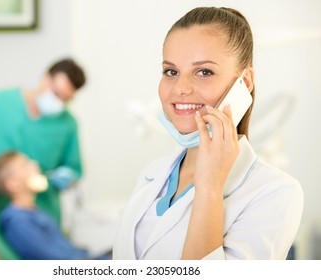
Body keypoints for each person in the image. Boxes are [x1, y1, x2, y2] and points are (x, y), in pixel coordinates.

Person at [113, 7, 303, 260]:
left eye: (204, 72)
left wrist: (210, 187)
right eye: (171, 71)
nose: (180, 88)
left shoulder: (276, 192)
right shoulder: (152, 174)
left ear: (244, 83)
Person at [0, 58, 86, 259]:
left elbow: (74, 169)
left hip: (42, 216)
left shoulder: (68, 124)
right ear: (46, 78)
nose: (59, 103)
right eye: (56, 94)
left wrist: (67, 176)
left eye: (66, 99)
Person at [0, 151, 99, 260]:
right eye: (25, 164)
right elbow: (55, 260)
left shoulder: (34, 212)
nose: (35, 165)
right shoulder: (18, 221)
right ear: (13, 184)